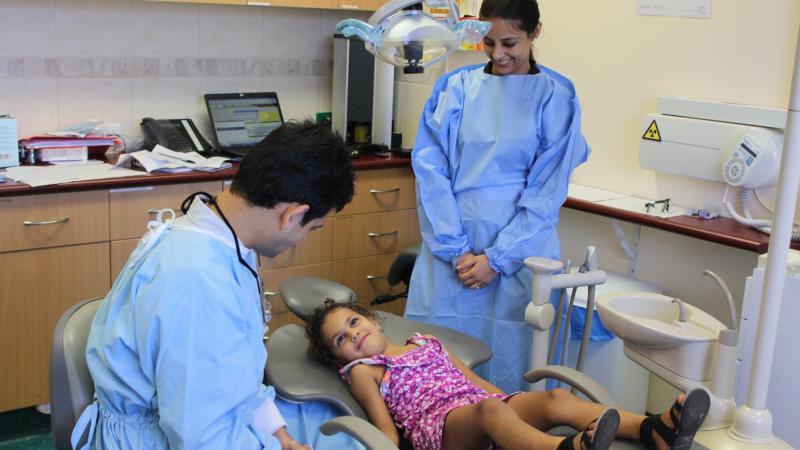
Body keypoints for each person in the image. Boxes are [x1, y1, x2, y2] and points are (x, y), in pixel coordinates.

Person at [72, 120, 356, 450]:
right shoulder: (198, 280)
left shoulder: (221, 236)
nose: (303, 239)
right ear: (293, 215)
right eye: (313, 228)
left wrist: (280, 436)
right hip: (159, 440)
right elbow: (203, 438)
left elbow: (237, 380)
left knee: (336, 431)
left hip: (202, 419)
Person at [405, 0, 590, 393]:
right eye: (488, 43)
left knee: (509, 367)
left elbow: (546, 192)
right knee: (438, 365)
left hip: (520, 253)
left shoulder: (556, 97)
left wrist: (498, 258)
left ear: (534, 32)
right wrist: (455, 250)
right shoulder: (456, 88)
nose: (499, 55)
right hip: (449, 253)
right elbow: (431, 171)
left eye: (510, 43)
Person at [306, 301, 711, 450]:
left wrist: (514, 407)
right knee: (489, 412)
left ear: (374, 320)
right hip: (443, 430)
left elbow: (475, 383)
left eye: (355, 322)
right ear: (339, 359)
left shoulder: (424, 341)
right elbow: (385, 430)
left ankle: (654, 429)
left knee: (552, 399)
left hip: (482, 406)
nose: (354, 334)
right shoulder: (365, 372)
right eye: (341, 338)